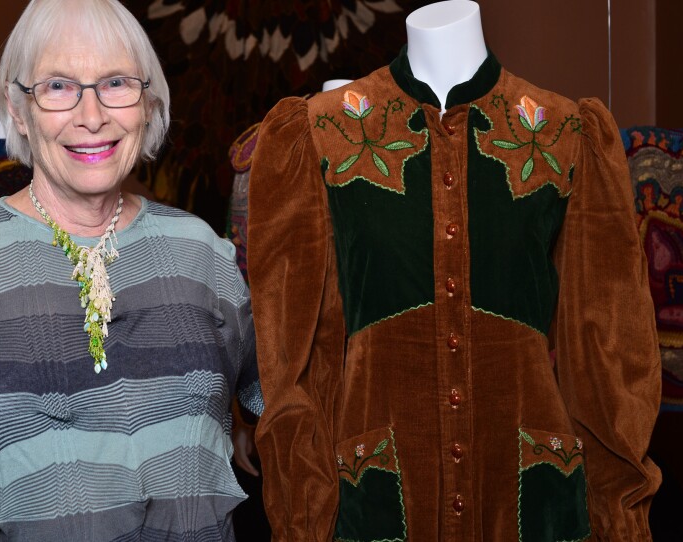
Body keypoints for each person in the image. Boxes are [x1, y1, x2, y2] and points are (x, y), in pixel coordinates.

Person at [247, 1, 661, 541]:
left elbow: (608, 354)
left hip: (528, 499)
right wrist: (304, 519)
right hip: (381, 498)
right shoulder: (322, 133)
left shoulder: (564, 132)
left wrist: (619, 520)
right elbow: (298, 363)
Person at [0, 1, 262, 540]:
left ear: (148, 102)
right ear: (18, 110)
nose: (91, 117)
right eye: (57, 87)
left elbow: (291, 415)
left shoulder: (203, 256)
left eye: (116, 83)